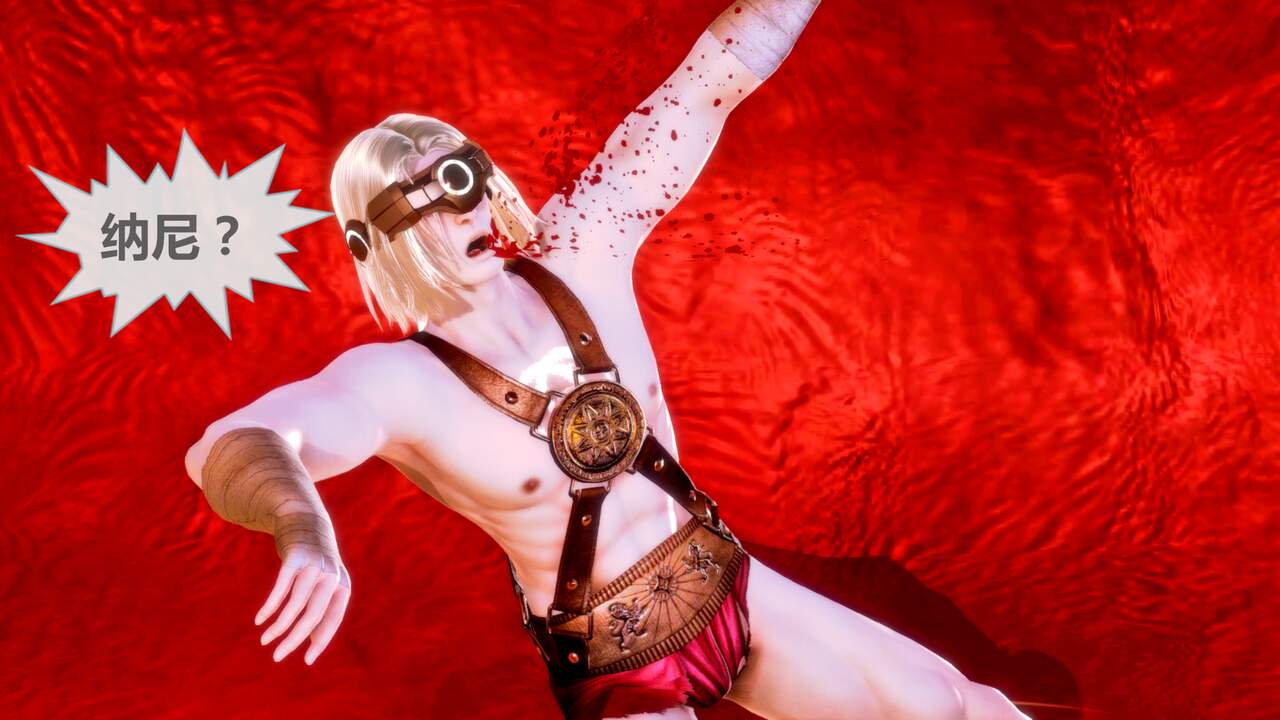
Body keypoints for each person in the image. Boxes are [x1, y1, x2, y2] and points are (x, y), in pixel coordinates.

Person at [186, 2, 1030, 718]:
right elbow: (234, 444)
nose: (465, 210)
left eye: (464, 176)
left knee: (968, 709)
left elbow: (707, 85)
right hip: (617, 667)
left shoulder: (581, 249)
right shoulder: (398, 383)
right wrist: (303, 527)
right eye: (424, 200)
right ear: (380, 242)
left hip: (727, 582)